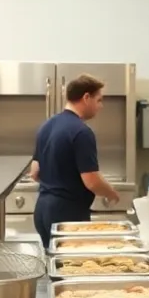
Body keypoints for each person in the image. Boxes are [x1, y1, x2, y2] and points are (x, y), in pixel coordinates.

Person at [29, 73, 121, 247]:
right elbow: (92, 181)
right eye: (99, 100)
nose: (101, 106)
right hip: (67, 215)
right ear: (86, 97)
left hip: (42, 210)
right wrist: (111, 193)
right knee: (72, 269)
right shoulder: (82, 132)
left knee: (54, 266)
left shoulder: (46, 126)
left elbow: (34, 172)